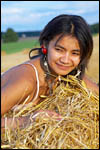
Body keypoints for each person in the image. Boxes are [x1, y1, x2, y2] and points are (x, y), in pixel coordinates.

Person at [1, 14, 99, 126]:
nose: (65, 60)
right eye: (59, 50)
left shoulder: (70, 75)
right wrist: (27, 121)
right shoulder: (26, 81)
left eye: (75, 53)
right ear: (45, 44)